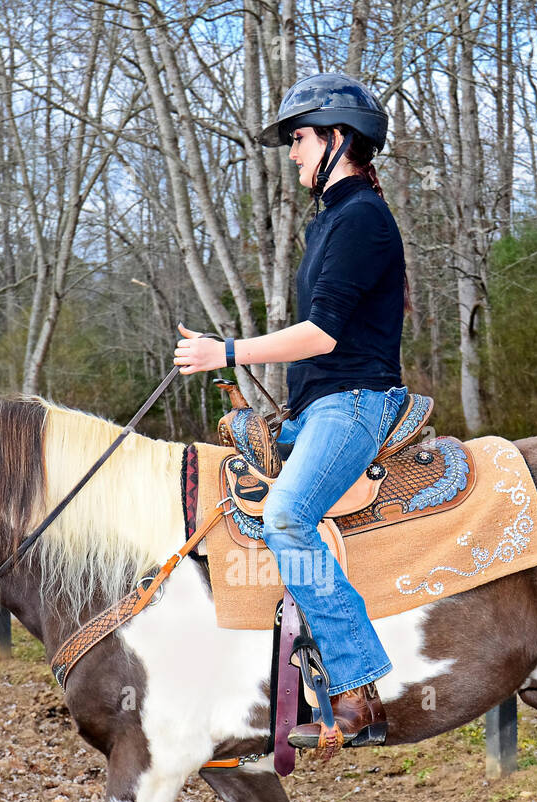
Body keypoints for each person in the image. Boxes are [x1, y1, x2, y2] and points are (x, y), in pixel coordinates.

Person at [174, 71, 407, 758]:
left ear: (340, 139)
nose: (294, 153)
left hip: (356, 402)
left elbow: (326, 335)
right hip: (316, 406)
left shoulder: (361, 219)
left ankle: (356, 686)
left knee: (285, 517)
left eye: (300, 139)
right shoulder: (331, 219)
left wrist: (228, 351)